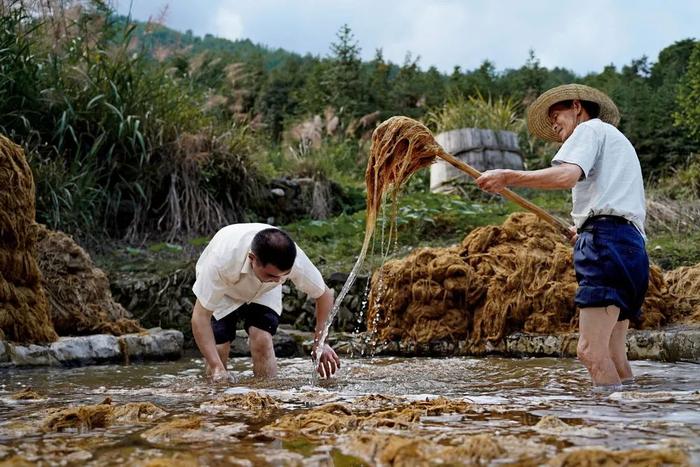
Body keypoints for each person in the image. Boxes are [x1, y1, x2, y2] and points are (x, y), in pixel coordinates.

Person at [475, 84, 648, 388]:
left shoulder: (589, 130)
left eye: (557, 115)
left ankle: (607, 429)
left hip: (607, 243)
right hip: (631, 249)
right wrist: (584, 230)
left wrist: (508, 176)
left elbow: (568, 176)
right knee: (613, 354)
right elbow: (612, 205)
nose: (554, 125)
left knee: (589, 352)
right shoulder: (616, 141)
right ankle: (631, 425)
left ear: (577, 106)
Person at [191, 223, 341, 381]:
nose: (278, 279)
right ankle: (216, 397)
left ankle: (267, 397)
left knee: (262, 339)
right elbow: (200, 318)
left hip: (264, 290)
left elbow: (325, 295)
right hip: (225, 289)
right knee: (219, 348)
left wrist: (321, 342)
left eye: (284, 275)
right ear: (252, 259)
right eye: (272, 275)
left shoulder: (294, 262)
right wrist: (216, 366)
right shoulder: (220, 261)